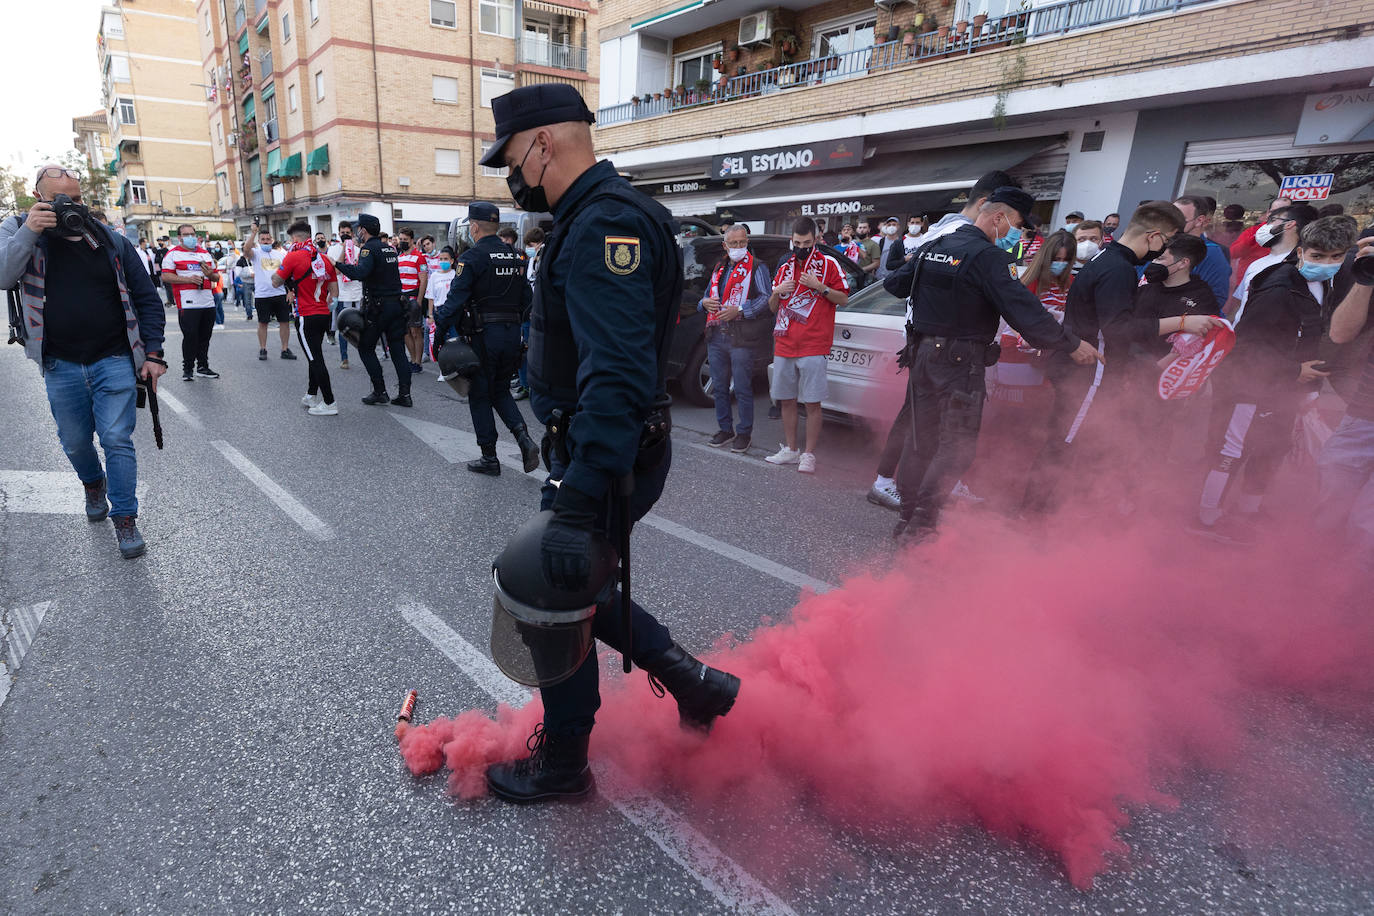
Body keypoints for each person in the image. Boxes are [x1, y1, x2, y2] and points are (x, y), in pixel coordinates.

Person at [478, 84, 740, 802]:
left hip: (605, 449)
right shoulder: (598, 215)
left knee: (550, 592)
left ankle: (564, 764)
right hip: (604, 444)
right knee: (582, 586)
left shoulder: (603, 226)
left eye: (510, 158)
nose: (510, 177)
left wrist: (576, 497)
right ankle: (697, 684)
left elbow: (618, 378)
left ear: (542, 145)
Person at [885, 188, 1100, 541]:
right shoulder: (987, 257)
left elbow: (894, 284)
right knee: (956, 447)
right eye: (1017, 225)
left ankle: (907, 519)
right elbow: (1023, 311)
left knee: (921, 441)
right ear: (999, 217)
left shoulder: (936, 246)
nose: (1018, 234)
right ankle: (922, 525)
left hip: (922, 355)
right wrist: (1071, 344)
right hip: (959, 361)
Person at [0, 164, 167, 558]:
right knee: (75, 441)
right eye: (59, 199)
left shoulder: (108, 237)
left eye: (75, 199)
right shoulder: (19, 230)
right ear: (39, 198)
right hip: (60, 363)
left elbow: (145, 296)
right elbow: (4, 277)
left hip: (114, 358)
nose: (70, 207)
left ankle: (125, 519)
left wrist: (154, 354)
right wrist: (30, 231)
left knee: (116, 439)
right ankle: (93, 482)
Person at [1189, 216, 1354, 543]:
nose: (1327, 263)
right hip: (1248, 385)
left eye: (1336, 256)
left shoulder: (1326, 283)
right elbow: (1247, 346)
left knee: (1271, 448)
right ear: (1302, 251)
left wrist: (1306, 387)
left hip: (1284, 386)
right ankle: (1205, 518)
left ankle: (1250, 510)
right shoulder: (1279, 286)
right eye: (1319, 256)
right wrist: (1296, 372)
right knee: (1231, 449)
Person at [1022, 201, 1187, 515]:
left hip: (1083, 370)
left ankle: (1055, 516)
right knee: (1066, 445)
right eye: (1167, 241)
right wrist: (1182, 323)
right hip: (1088, 372)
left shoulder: (1107, 258)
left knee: (1078, 443)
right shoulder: (1118, 268)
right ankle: (1033, 519)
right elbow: (1118, 329)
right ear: (1153, 236)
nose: (1165, 249)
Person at [867, 170, 1019, 509]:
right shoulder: (956, 234)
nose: (1013, 230)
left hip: (933, 343)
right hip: (943, 347)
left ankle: (922, 489)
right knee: (924, 424)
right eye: (1011, 218)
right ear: (986, 205)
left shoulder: (943, 231)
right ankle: (899, 490)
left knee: (928, 422)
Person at [432, 201, 540, 476]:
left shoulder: (471, 258)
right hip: (511, 336)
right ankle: (523, 438)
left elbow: (454, 303)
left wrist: (439, 336)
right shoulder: (517, 257)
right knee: (500, 390)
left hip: (483, 337)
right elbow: (528, 301)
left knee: (480, 395)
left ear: (475, 226)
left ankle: (489, 458)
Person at [763, 216, 850, 474]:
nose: (801, 247)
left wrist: (820, 286)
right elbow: (771, 308)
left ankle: (809, 454)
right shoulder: (785, 266)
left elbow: (844, 299)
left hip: (814, 343)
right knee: (786, 400)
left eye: (807, 243)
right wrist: (777, 292)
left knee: (812, 403)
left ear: (817, 240)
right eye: (797, 242)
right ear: (792, 240)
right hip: (785, 343)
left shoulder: (828, 263)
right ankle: (791, 449)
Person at [1316, 232, 1374, 565]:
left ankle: (1348, 600)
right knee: (1329, 502)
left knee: (1366, 526)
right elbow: (1340, 333)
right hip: (1363, 412)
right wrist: (1366, 279)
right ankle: (1314, 582)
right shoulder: (1362, 269)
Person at [700, 224, 773, 453]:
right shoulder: (720, 267)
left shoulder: (757, 267)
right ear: (725, 245)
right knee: (720, 388)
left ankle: (744, 433)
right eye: (734, 243)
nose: (739, 247)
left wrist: (740, 309)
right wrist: (704, 303)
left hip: (742, 336)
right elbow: (706, 296)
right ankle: (725, 429)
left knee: (742, 388)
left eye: (742, 242)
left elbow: (766, 299)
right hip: (717, 335)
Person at [335, 213, 412, 406]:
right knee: (397, 350)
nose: (357, 232)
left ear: (364, 230)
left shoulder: (368, 249)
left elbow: (361, 273)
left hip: (379, 307)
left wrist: (337, 265)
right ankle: (405, 395)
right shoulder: (389, 249)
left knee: (366, 347)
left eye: (359, 228)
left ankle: (380, 391)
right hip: (397, 305)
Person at [273, 220, 340, 416]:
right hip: (323, 314)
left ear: (295, 238)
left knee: (315, 359)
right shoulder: (325, 258)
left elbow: (276, 281)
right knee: (315, 354)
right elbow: (334, 291)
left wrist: (284, 276)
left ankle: (329, 402)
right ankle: (311, 394)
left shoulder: (293, 256)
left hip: (306, 315)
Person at [1230, 203, 1319, 320]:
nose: (1266, 225)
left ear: (1289, 224)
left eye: (1272, 220)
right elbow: (1241, 304)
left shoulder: (1303, 268)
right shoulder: (1256, 264)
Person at [161, 224, 221, 382]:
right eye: (186, 234)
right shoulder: (172, 254)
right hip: (187, 302)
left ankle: (203, 367)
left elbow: (215, 277)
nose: (190, 237)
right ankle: (187, 369)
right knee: (190, 336)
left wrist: (210, 274)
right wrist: (188, 279)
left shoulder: (205, 254)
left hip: (207, 302)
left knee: (205, 337)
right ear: (179, 237)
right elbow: (166, 277)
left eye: (192, 234)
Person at [244, 221, 296, 361]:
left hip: (279, 294)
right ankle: (263, 348)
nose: (266, 241)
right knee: (263, 323)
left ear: (272, 240)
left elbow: (288, 274)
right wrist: (254, 232)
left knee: (284, 322)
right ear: (259, 241)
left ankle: (284, 349)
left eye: (268, 239)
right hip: (262, 295)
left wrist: (290, 291)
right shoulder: (255, 253)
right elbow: (245, 249)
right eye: (263, 240)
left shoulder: (280, 255)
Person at [1171, 195, 1232, 306]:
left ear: (1199, 221)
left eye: (1180, 219)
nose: (1172, 223)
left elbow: (1215, 299)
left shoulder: (1211, 253)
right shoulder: (1161, 245)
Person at [514, 227, 546, 400]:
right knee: (524, 349)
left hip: (537, 311)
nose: (529, 248)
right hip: (527, 310)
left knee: (533, 351)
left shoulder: (544, 258)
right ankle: (525, 384)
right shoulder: (531, 260)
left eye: (531, 245)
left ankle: (532, 386)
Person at [1231, 196, 1292, 284]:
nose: (1277, 215)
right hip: (1247, 282)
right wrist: (1255, 238)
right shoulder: (1253, 231)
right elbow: (1233, 253)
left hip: (1277, 282)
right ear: (1268, 213)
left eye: (1283, 212)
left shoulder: (1293, 234)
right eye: (1274, 211)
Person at [328, 221, 364, 368]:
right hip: (342, 294)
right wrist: (344, 250)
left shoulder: (359, 250)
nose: (345, 235)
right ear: (338, 234)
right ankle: (344, 358)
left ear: (352, 234)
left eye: (347, 233)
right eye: (342, 233)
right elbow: (335, 271)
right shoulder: (332, 250)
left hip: (357, 293)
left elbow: (361, 271)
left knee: (361, 327)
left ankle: (364, 355)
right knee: (343, 327)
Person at [854, 219, 880, 288]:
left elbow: (876, 263)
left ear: (869, 229)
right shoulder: (852, 243)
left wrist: (861, 270)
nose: (862, 230)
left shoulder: (873, 244)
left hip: (865, 278)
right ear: (856, 229)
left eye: (864, 227)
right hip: (850, 276)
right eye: (860, 227)